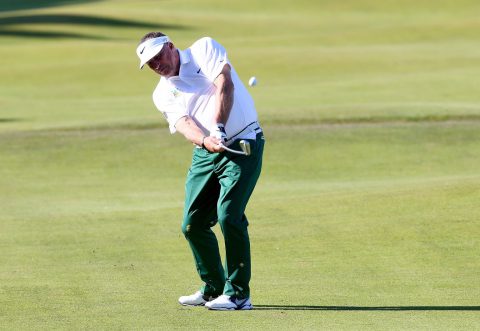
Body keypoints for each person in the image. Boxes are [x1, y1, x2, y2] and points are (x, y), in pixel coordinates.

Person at [136, 32, 264, 310]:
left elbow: (224, 83)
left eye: (159, 56)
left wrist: (217, 127)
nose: (157, 64)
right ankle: (214, 288)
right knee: (192, 224)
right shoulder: (161, 93)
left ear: (170, 46)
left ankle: (239, 294)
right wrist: (205, 140)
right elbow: (183, 124)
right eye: (151, 63)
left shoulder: (203, 49)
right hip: (205, 152)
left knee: (229, 216)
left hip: (243, 143)